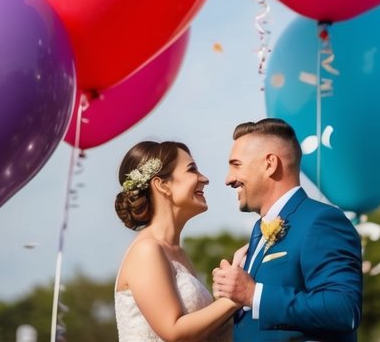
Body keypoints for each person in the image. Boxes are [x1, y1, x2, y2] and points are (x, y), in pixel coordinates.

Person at [212, 118, 363, 342]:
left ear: (270, 164)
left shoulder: (322, 221)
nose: (228, 179)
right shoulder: (258, 230)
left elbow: (343, 310)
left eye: (236, 165)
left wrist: (253, 294)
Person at [114, 139, 244, 342]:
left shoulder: (178, 253)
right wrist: (236, 297)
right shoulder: (146, 250)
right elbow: (174, 332)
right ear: (163, 185)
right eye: (192, 170)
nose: (204, 179)